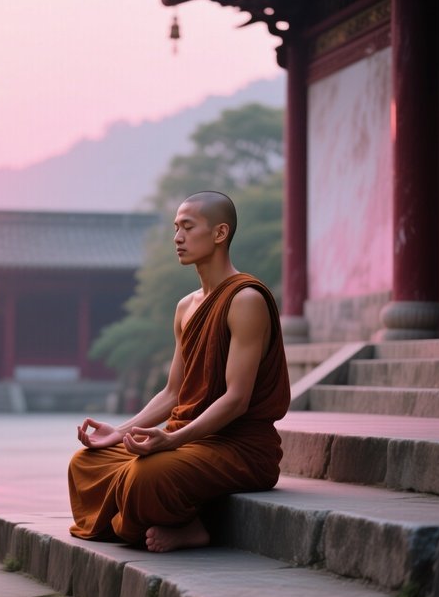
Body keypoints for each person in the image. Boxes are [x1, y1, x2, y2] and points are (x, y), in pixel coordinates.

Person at [68, 191, 290, 552]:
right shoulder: (186, 306)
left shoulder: (245, 300)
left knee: (144, 476)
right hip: (190, 439)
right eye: (176, 228)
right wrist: (119, 432)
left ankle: (193, 528)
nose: (177, 237)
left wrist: (172, 440)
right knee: (87, 462)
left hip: (240, 448)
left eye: (188, 227)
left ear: (220, 233)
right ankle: (163, 517)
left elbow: (236, 400)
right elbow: (173, 393)